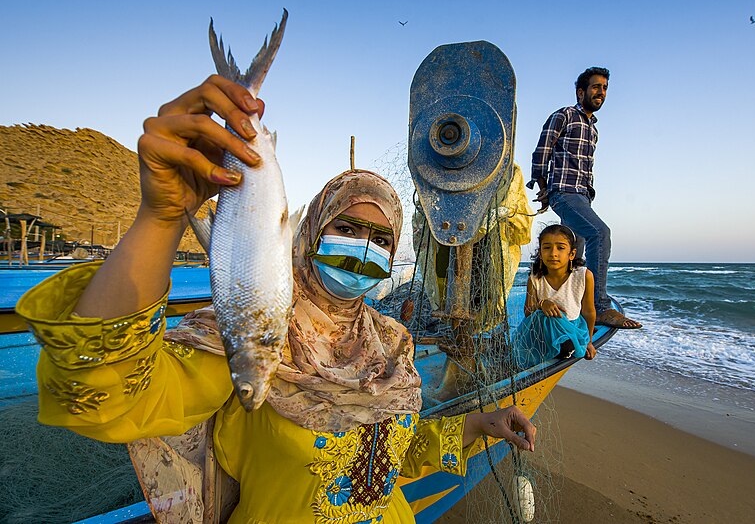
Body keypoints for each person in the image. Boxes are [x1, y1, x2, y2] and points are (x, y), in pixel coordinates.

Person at [16, 75, 536, 523]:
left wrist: (476, 424)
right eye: (348, 227)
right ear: (307, 234)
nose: (364, 250)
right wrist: (160, 219)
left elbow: (389, 458)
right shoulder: (252, 334)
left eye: (381, 239)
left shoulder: (392, 342)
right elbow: (104, 395)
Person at [529, 66, 641, 329]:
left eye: (604, 88)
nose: (600, 92)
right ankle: (601, 307)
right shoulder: (565, 115)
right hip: (564, 192)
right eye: (595, 87)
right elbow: (541, 151)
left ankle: (570, 305)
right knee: (600, 233)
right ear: (581, 92)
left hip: (582, 195)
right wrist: (544, 188)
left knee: (574, 255)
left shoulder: (593, 128)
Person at [512, 224, 596, 368]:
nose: (553, 253)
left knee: (564, 338)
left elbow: (588, 311)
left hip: (570, 327)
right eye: (547, 247)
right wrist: (542, 303)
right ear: (540, 252)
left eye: (560, 248)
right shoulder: (535, 278)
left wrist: (589, 341)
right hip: (542, 331)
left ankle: (565, 347)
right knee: (543, 317)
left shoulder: (583, 276)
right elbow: (528, 313)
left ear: (572, 254)